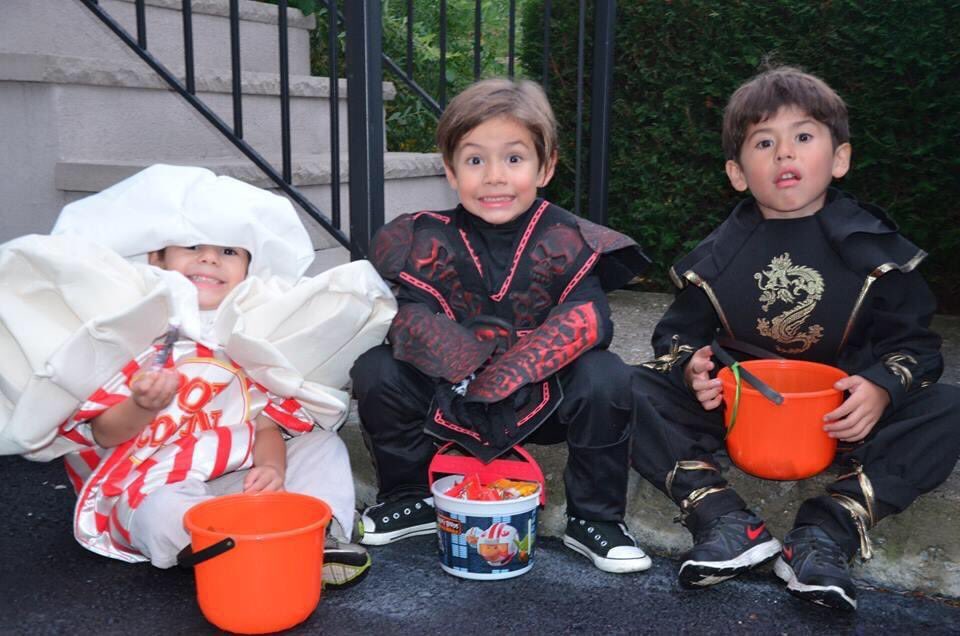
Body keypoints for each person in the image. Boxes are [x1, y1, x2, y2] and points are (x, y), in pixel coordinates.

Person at [630, 66, 960, 610]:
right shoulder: (716, 259)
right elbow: (673, 341)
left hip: (845, 423)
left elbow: (919, 349)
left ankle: (825, 534)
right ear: (737, 173)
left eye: (803, 137)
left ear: (840, 158)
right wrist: (694, 371)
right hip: (740, 415)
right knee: (626, 389)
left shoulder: (878, 254)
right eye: (765, 142)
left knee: (946, 408)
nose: (785, 154)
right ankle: (723, 520)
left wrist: (880, 389)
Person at [0, 164, 396, 588]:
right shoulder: (129, 331)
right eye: (192, 245)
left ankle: (317, 534)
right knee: (159, 512)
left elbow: (265, 422)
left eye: (229, 251)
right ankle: (217, 547)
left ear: (248, 269)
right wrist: (141, 405)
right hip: (150, 479)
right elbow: (105, 434)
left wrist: (273, 469)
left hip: (239, 475)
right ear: (156, 258)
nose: (209, 257)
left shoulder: (255, 328)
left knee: (321, 445)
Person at [350, 78, 653, 573]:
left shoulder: (572, 236)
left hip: (543, 397)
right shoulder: (420, 236)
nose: (494, 176)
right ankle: (409, 495)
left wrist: (509, 372)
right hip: (451, 391)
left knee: (607, 376)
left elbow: (589, 319)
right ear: (450, 170)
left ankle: (594, 519)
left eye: (513, 158)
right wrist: (467, 365)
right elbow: (406, 319)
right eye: (475, 160)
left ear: (546, 166)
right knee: (377, 370)